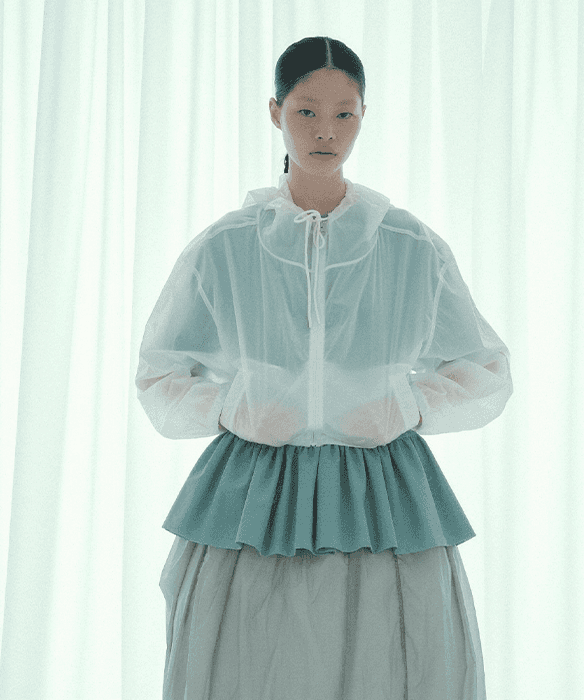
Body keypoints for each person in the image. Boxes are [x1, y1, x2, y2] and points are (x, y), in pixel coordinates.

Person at [135, 35, 512, 700]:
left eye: (344, 114)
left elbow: (485, 367)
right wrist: (230, 407)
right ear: (274, 111)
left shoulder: (409, 244)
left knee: (395, 658)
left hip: (383, 487)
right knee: (244, 662)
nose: (326, 131)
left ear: (364, 117)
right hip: (255, 487)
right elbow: (160, 371)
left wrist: (410, 404)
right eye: (306, 111)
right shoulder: (225, 246)